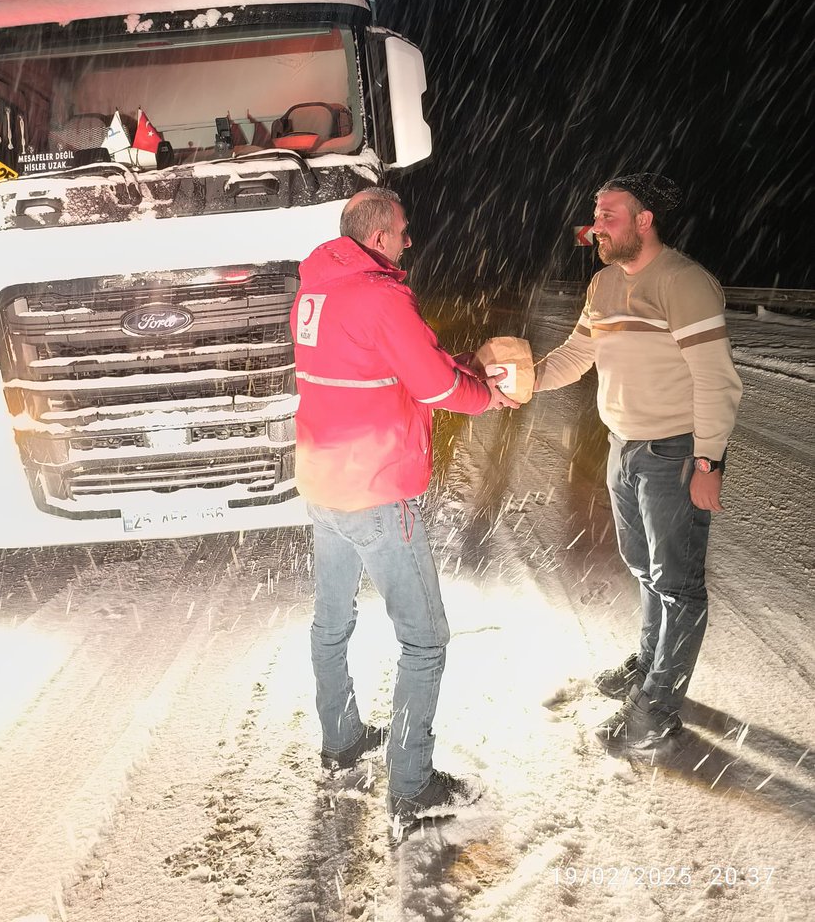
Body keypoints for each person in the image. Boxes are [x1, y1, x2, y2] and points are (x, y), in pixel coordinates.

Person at [291, 186, 519, 826]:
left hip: (323, 484)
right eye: (402, 230)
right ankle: (412, 784)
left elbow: (386, 364)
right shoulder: (381, 294)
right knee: (425, 640)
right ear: (378, 236)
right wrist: (486, 396)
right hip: (377, 489)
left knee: (330, 623)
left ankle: (341, 740)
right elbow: (436, 387)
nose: (408, 240)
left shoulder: (314, 291)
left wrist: (458, 365)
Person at [533, 173, 742, 751]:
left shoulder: (683, 282)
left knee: (678, 584)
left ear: (644, 221)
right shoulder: (602, 285)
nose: (596, 226)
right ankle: (649, 665)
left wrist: (708, 462)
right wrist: (521, 381)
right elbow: (577, 354)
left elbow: (717, 379)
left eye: (609, 215)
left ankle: (658, 710)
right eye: (596, 214)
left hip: (675, 451)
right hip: (622, 447)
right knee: (645, 569)